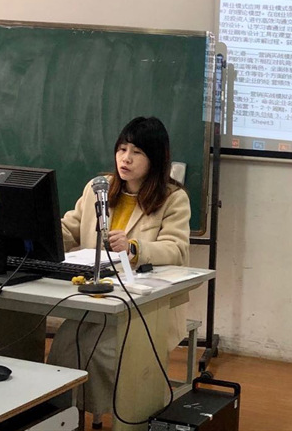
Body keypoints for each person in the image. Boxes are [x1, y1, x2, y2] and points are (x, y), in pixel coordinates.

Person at [46, 116, 190, 428]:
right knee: (65, 345)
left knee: (103, 350)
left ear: (155, 159)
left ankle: (123, 417)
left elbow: (176, 249)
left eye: (136, 152)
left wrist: (134, 248)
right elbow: (70, 228)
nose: (125, 158)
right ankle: (64, 419)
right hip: (98, 298)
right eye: (122, 149)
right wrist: (41, 232)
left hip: (147, 306)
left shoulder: (173, 198)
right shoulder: (97, 189)